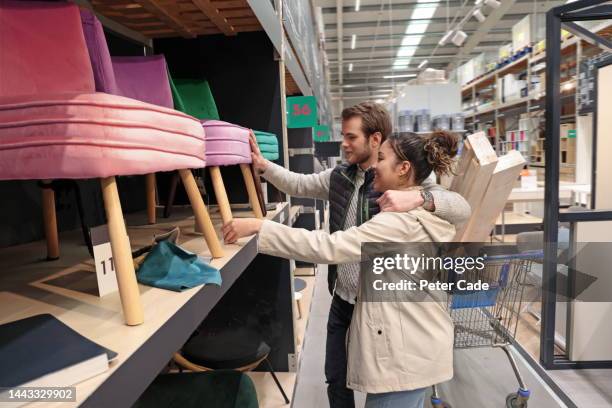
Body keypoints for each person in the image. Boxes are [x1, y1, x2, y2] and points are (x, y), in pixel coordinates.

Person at [247, 102, 469, 408]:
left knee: (385, 379)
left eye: (351, 137)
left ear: (375, 139)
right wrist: (264, 168)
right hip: (344, 297)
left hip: (378, 301)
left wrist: (421, 196)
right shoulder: (340, 176)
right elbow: (298, 184)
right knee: (337, 378)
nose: (343, 143)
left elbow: (459, 207)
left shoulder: (405, 189)